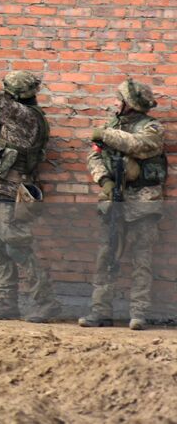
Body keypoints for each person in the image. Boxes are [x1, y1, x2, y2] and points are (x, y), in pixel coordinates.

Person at [0, 68, 63, 322]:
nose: (5, 96)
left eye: (8, 92)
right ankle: (7, 303)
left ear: (15, 95)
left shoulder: (23, 116)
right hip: (2, 189)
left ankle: (47, 302)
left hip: (11, 191)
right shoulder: (23, 115)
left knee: (17, 247)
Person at [80, 79, 166, 330]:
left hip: (143, 203)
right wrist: (104, 180)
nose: (116, 103)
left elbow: (140, 146)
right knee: (106, 257)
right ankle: (100, 312)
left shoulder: (152, 127)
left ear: (130, 104)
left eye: (120, 99)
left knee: (142, 260)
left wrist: (105, 134)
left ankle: (138, 314)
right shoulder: (112, 125)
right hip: (114, 200)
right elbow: (94, 155)